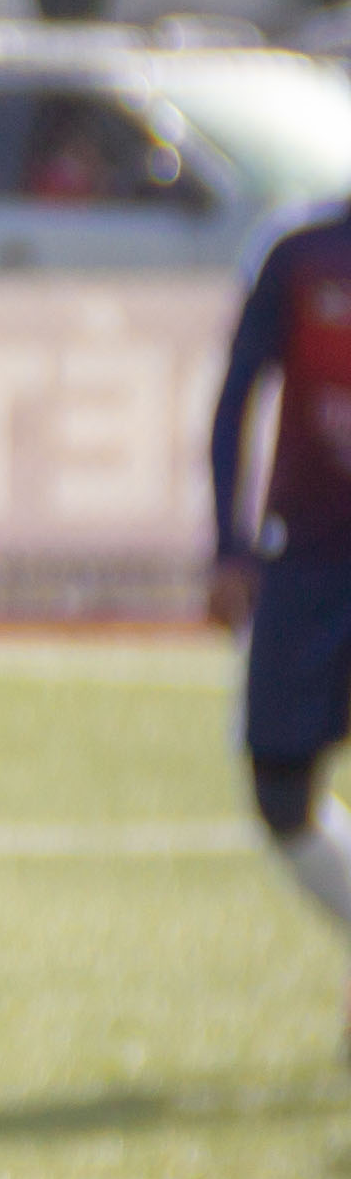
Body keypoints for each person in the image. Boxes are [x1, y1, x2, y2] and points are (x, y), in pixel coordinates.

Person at [210, 191, 351, 1042]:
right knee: (279, 789)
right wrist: (229, 545)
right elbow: (235, 401)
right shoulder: (302, 253)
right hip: (305, 558)